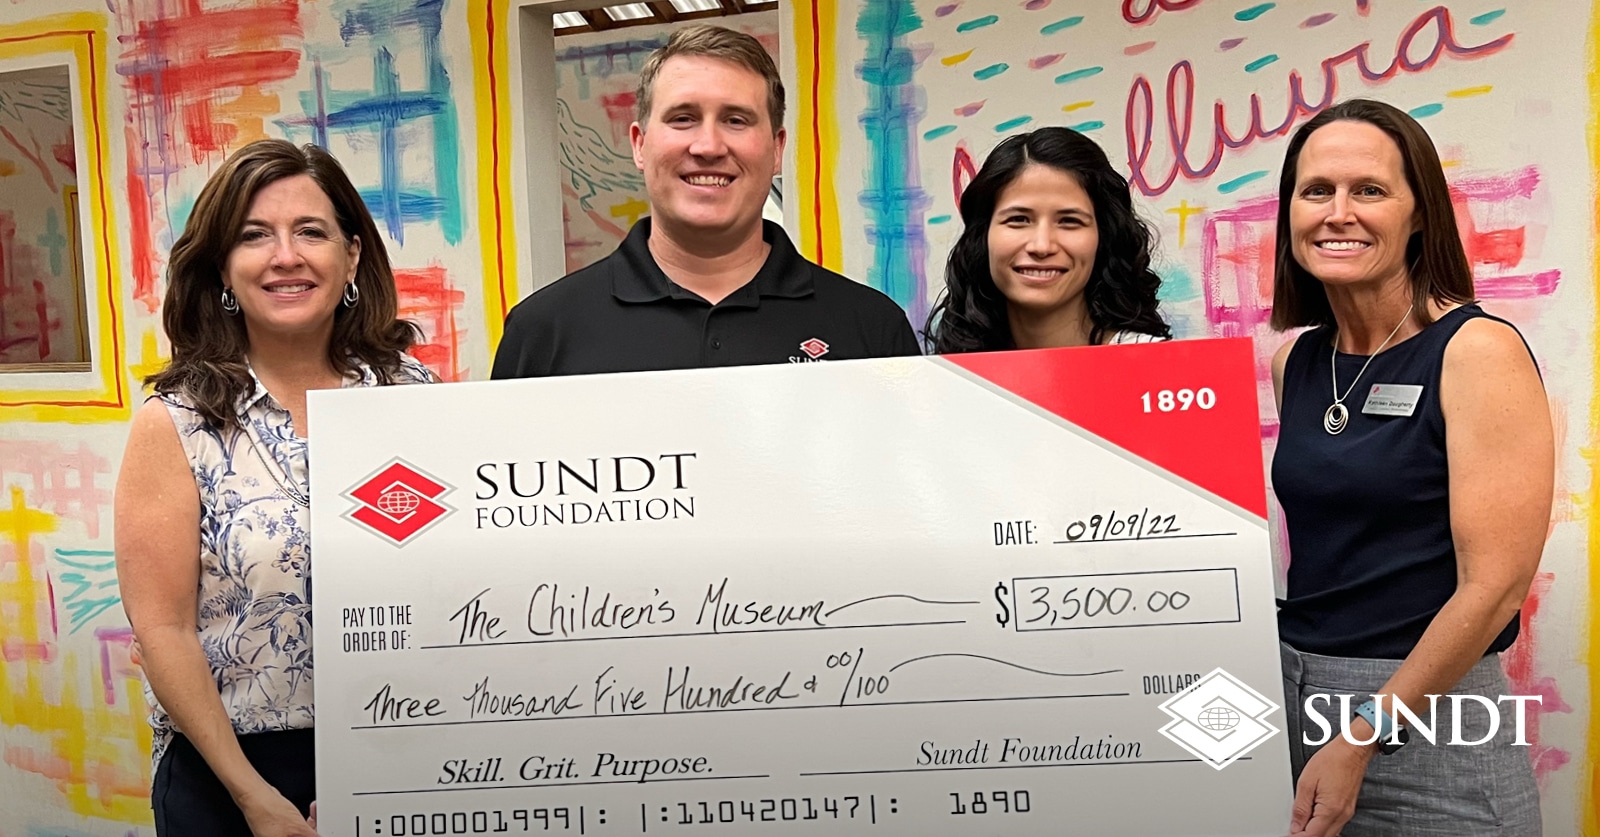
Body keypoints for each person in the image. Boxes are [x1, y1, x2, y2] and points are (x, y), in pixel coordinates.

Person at [115, 139, 435, 835]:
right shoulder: (175, 422)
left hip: (400, 748)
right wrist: (255, 798)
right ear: (224, 268)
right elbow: (162, 628)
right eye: (255, 235)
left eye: (310, 231)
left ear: (351, 256)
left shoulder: (414, 394)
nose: (285, 255)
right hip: (232, 774)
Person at [1269, 99, 1550, 836]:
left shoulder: (1476, 351)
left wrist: (1362, 732)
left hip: (1431, 716)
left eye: (1369, 190)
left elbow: (1494, 590)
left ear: (1419, 213)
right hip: (1299, 704)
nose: (1338, 212)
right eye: (1316, 190)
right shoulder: (1295, 361)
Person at [491, 24, 920, 378]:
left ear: (776, 149)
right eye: (683, 119)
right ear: (640, 145)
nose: (708, 145)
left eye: (736, 120)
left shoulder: (872, 328)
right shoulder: (542, 331)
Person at [924, 126, 1171, 352]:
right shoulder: (951, 377)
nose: (1042, 246)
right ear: (982, 237)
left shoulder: (1156, 370)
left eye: (1069, 221)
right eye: (1019, 219)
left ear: (1103, 238)